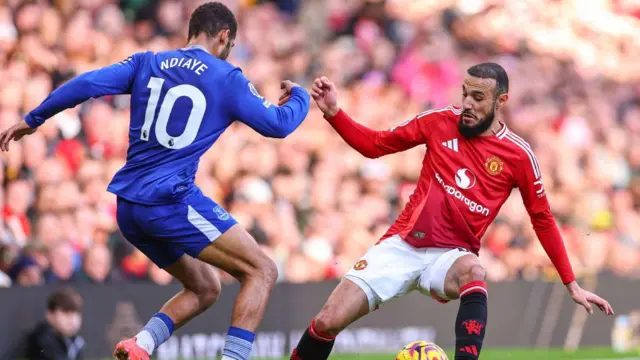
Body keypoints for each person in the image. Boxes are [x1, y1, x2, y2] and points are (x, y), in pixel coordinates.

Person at [0, 2, 310, 360]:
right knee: (262, 270)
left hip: (129, 209)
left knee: (205, 287)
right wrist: (299, 96)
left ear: (191, 31)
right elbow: (279, 124)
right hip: (169, 201)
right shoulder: (226, 77)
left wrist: (35, 118)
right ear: (224, 36)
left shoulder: (147, 62)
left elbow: (86, 83)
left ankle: (141, 345)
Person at [290, 64, 615, 360]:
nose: (468, 104)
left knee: (474, 271)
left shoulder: (518, 155)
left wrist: (571, 284)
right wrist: (334, 111)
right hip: (401, 246)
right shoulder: (438, 122)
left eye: (478, 97)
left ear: (501, 100)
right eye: (464, 95)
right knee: (326, 321)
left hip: (450, 257)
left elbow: (542, 219)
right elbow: (375, 145)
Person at [24, 287, 85, 360]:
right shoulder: (41, 339)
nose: (73, 320)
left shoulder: (76, 341)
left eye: (76, 314)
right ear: (50, 315)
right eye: (66, 313)